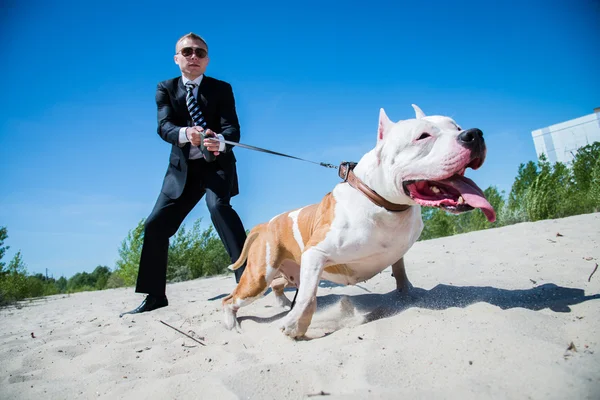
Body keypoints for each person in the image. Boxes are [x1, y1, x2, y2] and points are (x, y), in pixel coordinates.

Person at [121, 32, 247, 316]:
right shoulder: (165, 88)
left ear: (207, 60)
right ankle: (155, 296)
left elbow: (232, 129)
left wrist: (221, 141)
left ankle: (247, 279)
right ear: (177, 58)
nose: (194, 57)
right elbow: (164, 126)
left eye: (200, 53)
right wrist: (184, 133)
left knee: (219, 207)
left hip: (216, 165)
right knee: (155, 225)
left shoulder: (222, 89)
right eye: (187, 52)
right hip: (182, 172)